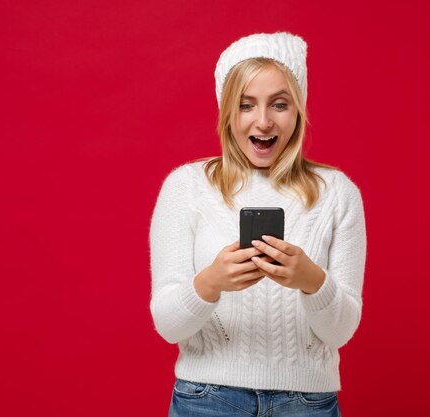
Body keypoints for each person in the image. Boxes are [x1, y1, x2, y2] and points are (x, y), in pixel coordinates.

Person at [149, 32, 366, 417]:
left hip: (307, 405)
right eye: (246, 105)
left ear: (298, 109)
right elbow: (168, 325)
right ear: (227, 111)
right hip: (208, 401)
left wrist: (312, 281)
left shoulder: (338, 193)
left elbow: (341, 333)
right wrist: (210, 283)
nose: (263, 121)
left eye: (279, 104)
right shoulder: (186, 188)